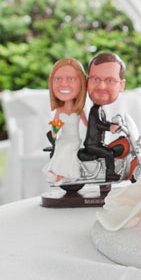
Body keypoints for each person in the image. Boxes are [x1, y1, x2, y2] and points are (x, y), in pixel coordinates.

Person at [78, 51, 127, 181]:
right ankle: (110, 173)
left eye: (109, 80)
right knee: (109, 153)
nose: (101, 86)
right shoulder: (95, 109)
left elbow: (101, 122)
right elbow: (98, 123)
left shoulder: (100, 108)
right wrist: (110, 127)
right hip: (92, 144)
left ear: (121, 85)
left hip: (97, 143)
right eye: (95, 79)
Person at [43, 58, 87, 188]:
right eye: (58, 79)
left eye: (71, 79)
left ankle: (61, 173)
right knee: (61, 146)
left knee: (68, 147)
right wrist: (54, 133)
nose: (64, 84)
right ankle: (58, 173)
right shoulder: (59, 110)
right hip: (64, 137)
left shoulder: (79, 110)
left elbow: (87, 124)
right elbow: (55, 125)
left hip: (74, 138)